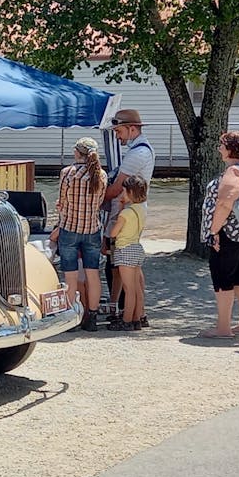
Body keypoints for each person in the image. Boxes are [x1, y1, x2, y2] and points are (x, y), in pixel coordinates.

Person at [199, 131, 239, 339]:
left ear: (230, 149)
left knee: (223, 277)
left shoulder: (234, 171)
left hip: (230, 233)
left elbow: (225, 202)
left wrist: (213, 231)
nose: (219, 149)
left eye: (222, 145)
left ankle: (223, 328)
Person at [102, 109, 155, 326]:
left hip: (123, 217)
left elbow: (116, 188)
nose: (117, 135)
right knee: (131, 272)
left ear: (132, 128)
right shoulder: (140, 150)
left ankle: (126, 313)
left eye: (119, 131)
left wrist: (93, 202)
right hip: (134, 215)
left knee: (119, 268)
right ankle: (136, 313)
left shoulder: (137, 153)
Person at [56, 137, 108, 332]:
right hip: (92, 229)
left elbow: (62, 201)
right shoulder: (101, 176)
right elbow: (100, 201)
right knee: (93, 274)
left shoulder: (67, 173)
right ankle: (92, 317)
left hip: (69, 228)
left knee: (70, 277)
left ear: (77, 153)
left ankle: (71, 317)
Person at [108, 175, 148, 331]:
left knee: (128, 288)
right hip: (137, 248)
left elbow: (113, 233)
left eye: (124, 191)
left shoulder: (125, 213)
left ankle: (126, 320)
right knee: (137, 288)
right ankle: (137, 318)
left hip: (125, 249)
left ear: (130, 192)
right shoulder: (141, 209)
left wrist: (119, 210)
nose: (121, 194)